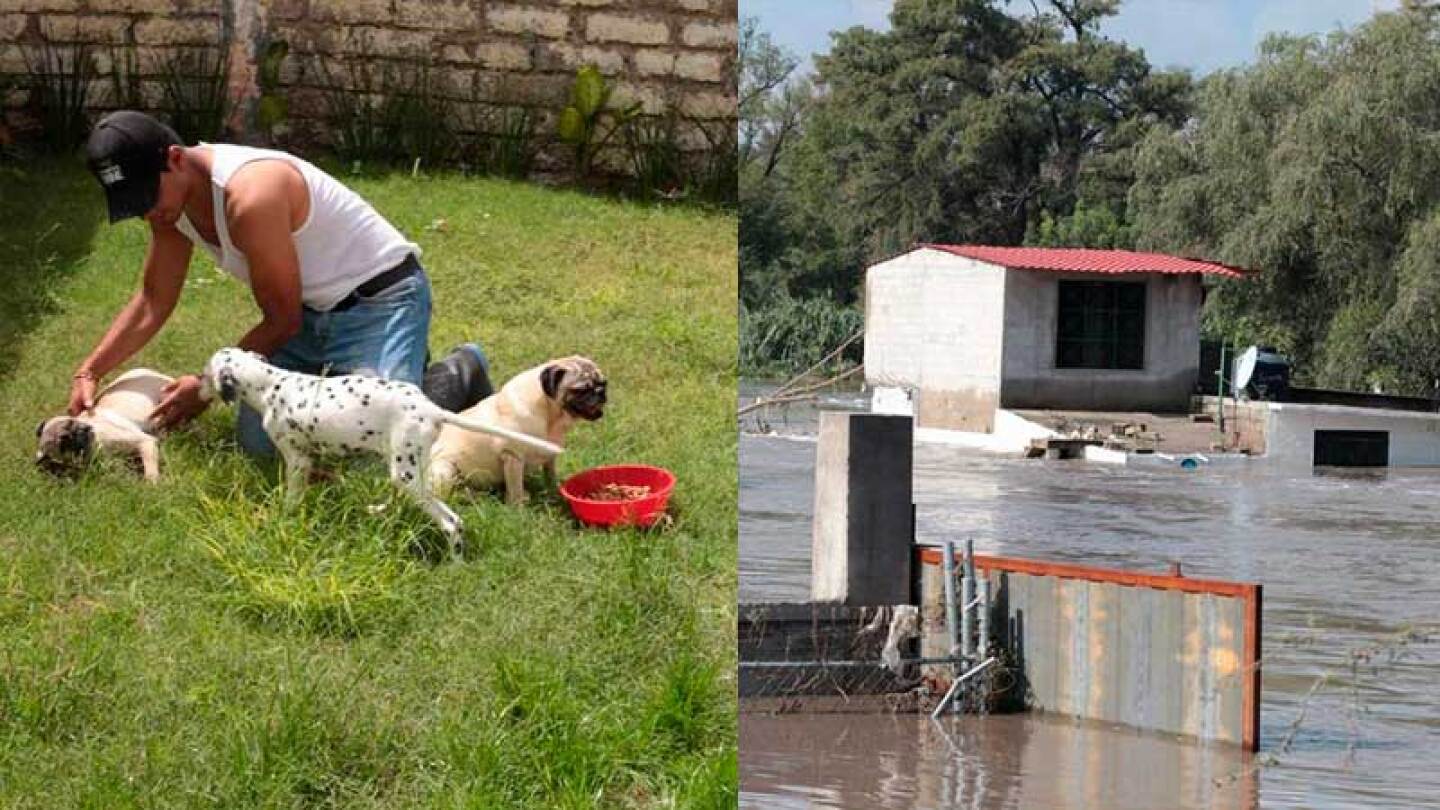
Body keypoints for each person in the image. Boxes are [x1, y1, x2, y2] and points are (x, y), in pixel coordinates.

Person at [69, 110, 433, 457]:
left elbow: (282, 320)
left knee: (382, 447)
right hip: (308, 319)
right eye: (134, 203)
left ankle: (451, 377)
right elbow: (154, 299)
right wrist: (90, 370)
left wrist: (205, 384)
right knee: (262, 442)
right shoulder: (171, 205)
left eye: (148, 196)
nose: (148, 212)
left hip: (381, 302)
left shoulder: (251, 195)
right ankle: (376, 373)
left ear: (176, 158)